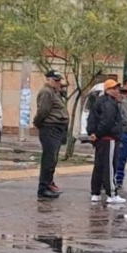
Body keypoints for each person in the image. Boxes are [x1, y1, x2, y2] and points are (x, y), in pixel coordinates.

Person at [86, 79, 127, 204]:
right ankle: (112, 194)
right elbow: (107, 122)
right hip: (109, 139)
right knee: (110, 166)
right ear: (107, 90)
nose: (116, 91)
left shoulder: (99, 102)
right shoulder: (109, 103)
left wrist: (92, 133)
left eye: (117, 89)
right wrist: (97, 134)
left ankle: (96, 193)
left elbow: (91, 120)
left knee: (99, 166)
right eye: (114, 88)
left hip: (101, 139)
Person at [34, 70, 69, 200]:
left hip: (57, 128)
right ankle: (43, 188)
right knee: (49, 159)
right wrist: (38, 123)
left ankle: (48, 185)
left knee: (52, 159)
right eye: (56, 80)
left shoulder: (55, 92)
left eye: (59, 80)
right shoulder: (46, 92)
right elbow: (43, 111)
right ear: (48, 80)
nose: (58, 83)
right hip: (50, 128)